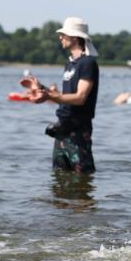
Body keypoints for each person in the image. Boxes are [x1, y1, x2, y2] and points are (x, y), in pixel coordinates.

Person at [23, 17, 100, 173]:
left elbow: (80, 98)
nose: (60, 37)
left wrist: (48, 96)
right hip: (62, 130)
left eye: (63, 34)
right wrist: (41, 88)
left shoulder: (88, 63)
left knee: (82, 177)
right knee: (59, 181)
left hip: (78, 131)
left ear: (75, 37)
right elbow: (65, 98)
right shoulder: (71, 63)